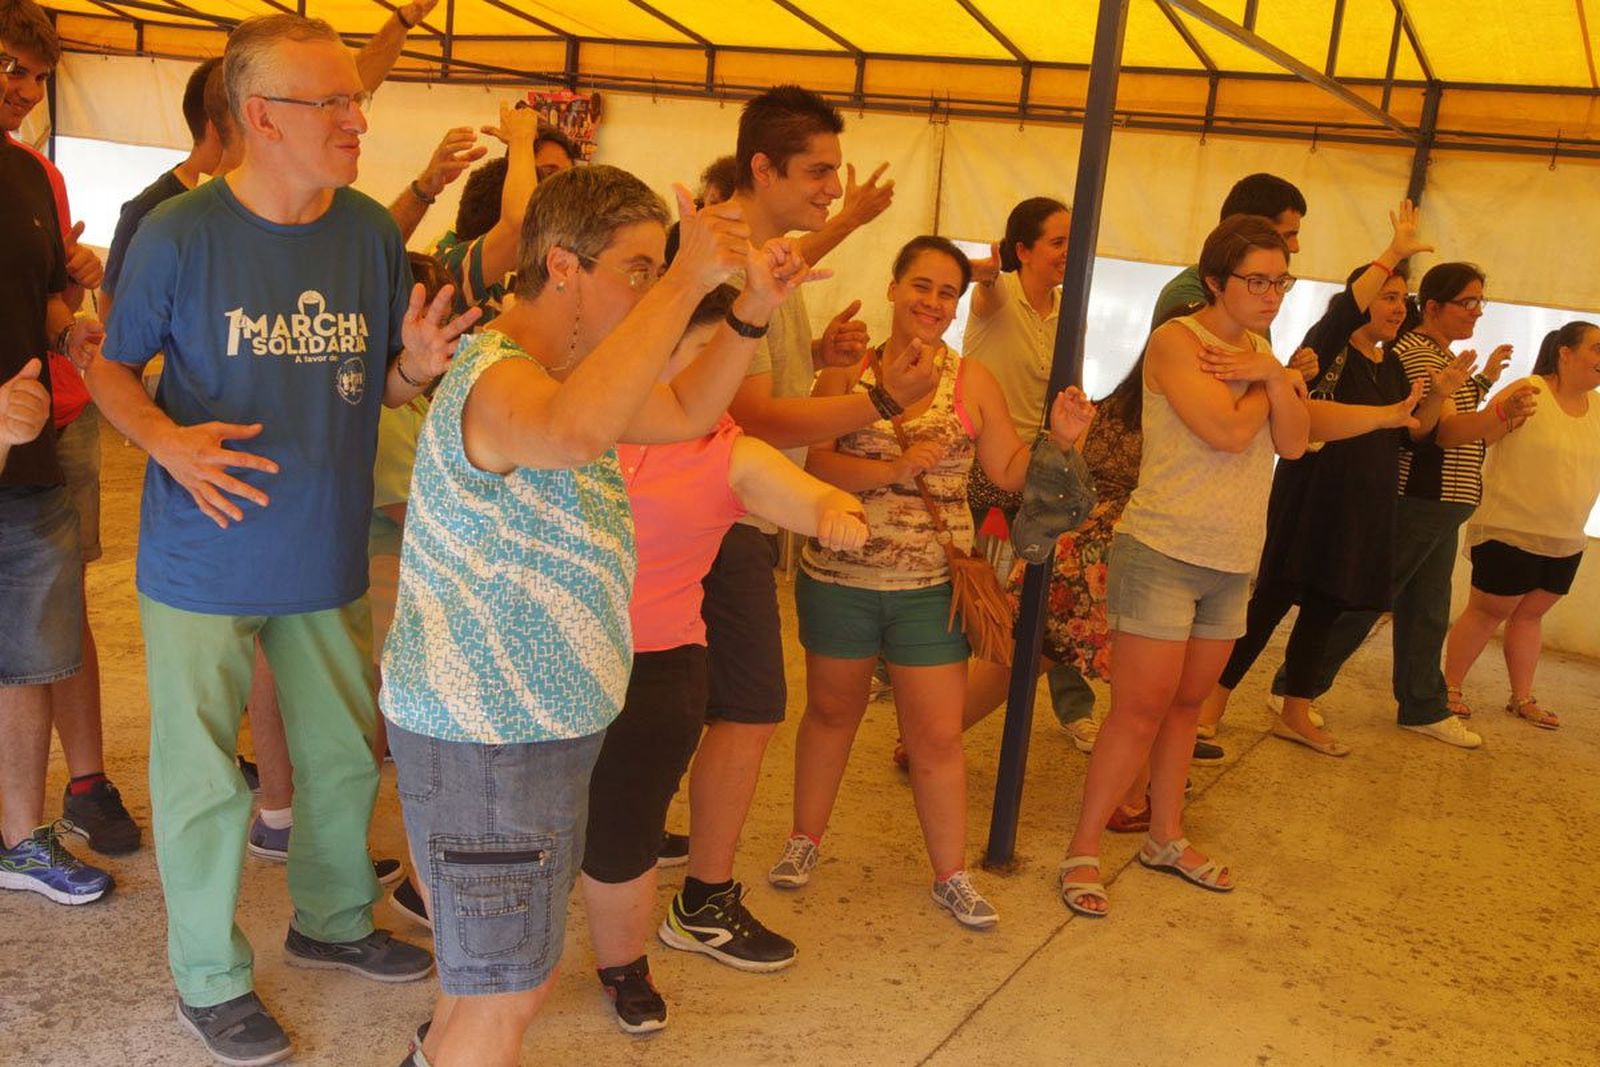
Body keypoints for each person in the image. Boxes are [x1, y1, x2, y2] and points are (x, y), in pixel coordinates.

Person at [86, 15, 462, 1063]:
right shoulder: (181, 232)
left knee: (343, 752)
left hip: (323, 543)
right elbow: (113, 369)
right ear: (261, 116)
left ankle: (333, 917)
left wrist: (416, 371)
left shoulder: (367, 236)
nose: (357, 116)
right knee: (204, 775)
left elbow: (374, 382)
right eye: (332, 100)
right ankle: (206, 978)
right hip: (203, 551)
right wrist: (167, 441)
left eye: (356, 98)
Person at [381, 163, 811, 1067]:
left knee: (505, 985)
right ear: (564, 265)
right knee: (502, 995)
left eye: (660, 269)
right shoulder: (502, 381)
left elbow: (693, 405)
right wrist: (693, 277)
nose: (651, 289)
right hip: (488, 740)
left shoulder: (563, 375)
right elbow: (574, 432)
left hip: (531, 733)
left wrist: (751, 309)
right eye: (637, 268)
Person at [658, 84, 937, 975]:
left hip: (714, 514)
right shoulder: (722, 259)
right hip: (707, 517)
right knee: (746, 707)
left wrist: (818, 358)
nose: (831, 186)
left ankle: (651, 867)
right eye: (819, 171)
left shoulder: (761, 256)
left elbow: (753, 381)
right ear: (763, 168)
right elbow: (747, 417)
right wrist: (885, 397)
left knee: (682, 707)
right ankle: (701, 898)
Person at [768, 235, 1093, 928]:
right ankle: (805, 839)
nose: (934, 302)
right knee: (831, 713)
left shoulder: (971, 379)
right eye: (921, 285)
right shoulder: (847, 368)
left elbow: (1006, 470)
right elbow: (814, 466)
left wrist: (1058, 442)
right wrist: (890, 468)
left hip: (930, 584)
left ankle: (951, 873)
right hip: (837, 575)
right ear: (892, 289)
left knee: (938, 737)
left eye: (948, 292)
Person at [580, 285, 867, 1034]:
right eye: (692, 352)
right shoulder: (587, 415)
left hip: (655, 668)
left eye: (721, 359)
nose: (706, 374)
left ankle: (623, 964)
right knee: (523, 823)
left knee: (626, 832)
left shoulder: (730, 450)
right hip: (555, 653)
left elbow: (805, 494)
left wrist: (837, 514)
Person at [1057, 214, 1309, 918]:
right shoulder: (1177, 340)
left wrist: (1273, 373)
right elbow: (1229, 433)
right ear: (1214, 281)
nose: (1271, 293)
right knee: (1136, 710)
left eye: (1280, 279)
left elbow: (1294, 442)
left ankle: (1166, 836)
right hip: (1164, 547)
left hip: (1232, 557)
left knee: (1187, 709)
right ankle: (1082, 847)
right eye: (1257, 280)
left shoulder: (1261, 350)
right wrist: (1272, 380)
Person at [1200, 201, 1486, 754]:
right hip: (1311, 496)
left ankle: (1296, 711)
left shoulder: (1394, 364)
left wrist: (1443, 392)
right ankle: (1213, 700)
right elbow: (1338, 318)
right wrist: (1392, 254)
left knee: (1329, 606)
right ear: (1359, 301)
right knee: (1270, 601)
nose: (1397, 308)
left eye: (1403, 299)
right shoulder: (1324, 346)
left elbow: (1414, 433)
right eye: (1387, 296)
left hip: (1365, 504)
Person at [1259, 263, 1537, 738]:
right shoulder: (1411, 353)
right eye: (1467, 302)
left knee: (1427, 607)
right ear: (1432, 307)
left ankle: (1422, 705)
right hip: (1415, 496)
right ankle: (1295, 687)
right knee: (1360, 599)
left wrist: (1494, 403)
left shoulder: (1437, 355)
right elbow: (1442, 432)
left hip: (1445, 502)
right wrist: (1497, 414)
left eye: (1480, 303)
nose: (1476, 312)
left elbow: (1459, 421)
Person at [0, 0, 114, 907]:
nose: (21, 87)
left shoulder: (32, 176)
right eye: (7, 64)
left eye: (34, 75)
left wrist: (73, 301)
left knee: (32, 658)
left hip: (32, 457)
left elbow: (43, 313)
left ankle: (22, 837)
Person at [963, 196, 1105, 747]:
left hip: (1043, 465)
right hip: (989, 468)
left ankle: (1075, 708)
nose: (1069, 253)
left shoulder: (1070, 311)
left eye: (1074, 242)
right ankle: (912, 677)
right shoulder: (996, 300)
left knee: (1059, 592)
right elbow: (988, 279)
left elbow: (1071, 386)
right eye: (1057, 242)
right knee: (974, 585)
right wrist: (981, 268)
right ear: (1022, 250)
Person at [1443, 321, 1600, 729]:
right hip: (1509, 528)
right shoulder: (1527, 390)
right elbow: (1482, 439)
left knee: (1530, 616)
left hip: (1565, 536)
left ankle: (1522, 697)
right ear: (1565, 352)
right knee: (1487, 611)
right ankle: (1449, 688)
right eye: (1597, 349)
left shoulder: (1598, 408)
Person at [432, 115, 578, 323]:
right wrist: (521, 138)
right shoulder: (447, 267)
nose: (564, 195)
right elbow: (520, 225)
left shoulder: (530, 270)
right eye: (549, 175)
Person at [1151, 173, 1306, 327]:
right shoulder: (1186, 293)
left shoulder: (1255, 299)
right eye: (1284, 237)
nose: (1295, 247)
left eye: (1280, 282)